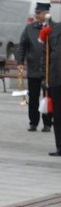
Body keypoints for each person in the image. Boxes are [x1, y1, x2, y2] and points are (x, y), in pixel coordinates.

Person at [17, 3, 53, 132]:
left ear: (47, 14)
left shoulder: (53, 28)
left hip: (49, 70)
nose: (37, 15)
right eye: (36, 13)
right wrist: (20, 61)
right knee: (33, 97)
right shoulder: (30, 28)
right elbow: (22, 45)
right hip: (33, 68)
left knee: (48, 96)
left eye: (39, 13)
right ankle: (33, 122)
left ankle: (48, 123)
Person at [45, 21, 61, 155]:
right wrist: (46, 76)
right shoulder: (54, 29)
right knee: (57, 115)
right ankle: (60, 146)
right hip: (56, 78)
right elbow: (47, 53)